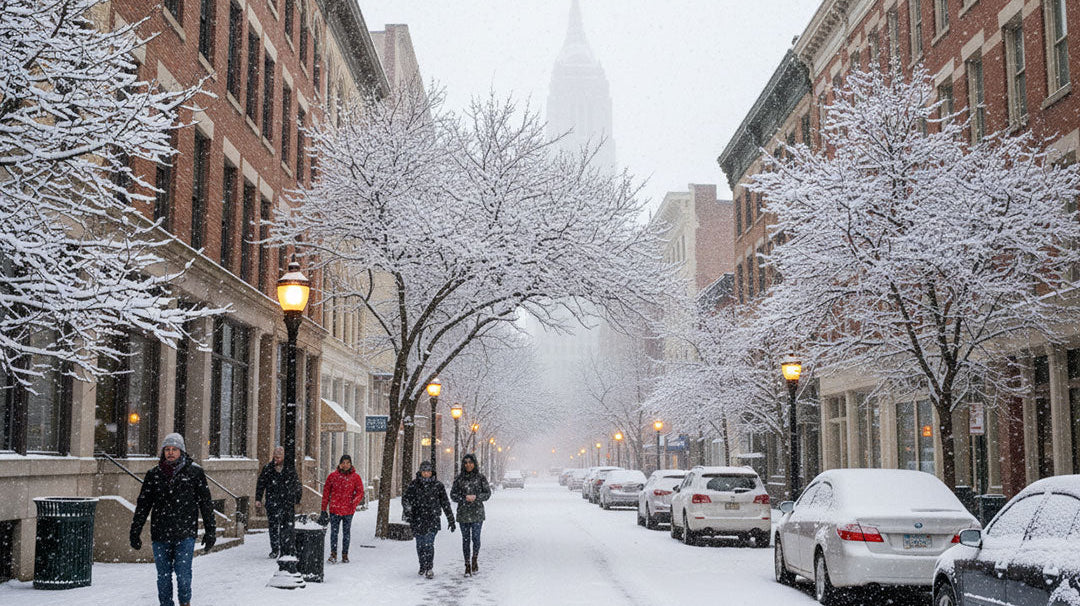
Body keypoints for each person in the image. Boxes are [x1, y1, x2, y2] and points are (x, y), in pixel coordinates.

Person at [129, 433, 216, 606]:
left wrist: (210, 530)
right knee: (163, 576)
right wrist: (135, 531)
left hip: (185, 533)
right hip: (160, 533)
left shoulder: (194, 473)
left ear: (181, 451)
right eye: (167, 449)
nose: (170, 453)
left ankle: (185, 602)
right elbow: (143, 505)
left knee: (183, 575)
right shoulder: (154, 474)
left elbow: (205, 504)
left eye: (174, 449)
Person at [402, 460, 456, 579]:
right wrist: (408, 510)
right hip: (417, 519)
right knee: (420, 544)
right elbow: (405, 499)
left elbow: (445, 503)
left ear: (432, 472)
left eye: (428, 471)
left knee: (429, 543)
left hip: (432, 519)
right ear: (420, 472)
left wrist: (451, 519)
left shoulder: (438, 486)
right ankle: (422, 565)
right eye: (424, 471)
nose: (426, 473)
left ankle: (429, 567)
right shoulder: (414, 485)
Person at [255, 446, 301, 558]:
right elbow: (261, 484)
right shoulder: (268, 468)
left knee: (286, 527)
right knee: (273, 526)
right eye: (275, 457)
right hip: (272, 502)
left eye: (279, 457)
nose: (277, 459)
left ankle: (285, 548)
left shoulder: (289, 468)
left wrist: (297, 499)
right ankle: (275, 549)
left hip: (286, 503)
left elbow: (297, 484)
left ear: (283, 457)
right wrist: (258, 498)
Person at [450, 453, 491, 577]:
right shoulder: (459, 479)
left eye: (470, 462)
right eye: (466, 462)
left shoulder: (480, 478)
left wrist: (476, 497)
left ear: (474, 464)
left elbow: (487, 493)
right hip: (463, 513)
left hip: (477, 512)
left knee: (476, 538)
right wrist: (464, 498)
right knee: (466, 539)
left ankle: (475, 558)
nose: (468, 465)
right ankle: (467, 564)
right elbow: (453, 495)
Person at [320, 454, 364, 563]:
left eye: (348, 463)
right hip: (335, 510)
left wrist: (353, 503)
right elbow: (326, 493)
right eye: (343, 463)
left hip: (348, 511)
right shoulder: (332, 476)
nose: (345, 465)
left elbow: (360, 492)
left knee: (346, 533)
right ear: (340, 464)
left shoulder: (355, 477)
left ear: (351, 464)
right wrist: (323, 509)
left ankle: (345, 554)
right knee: (334, 533)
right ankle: (333, 554)